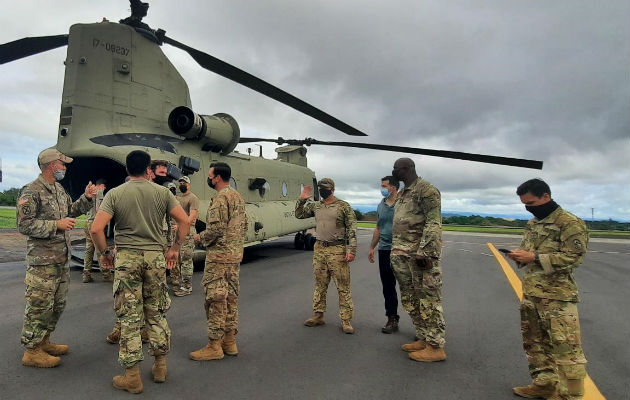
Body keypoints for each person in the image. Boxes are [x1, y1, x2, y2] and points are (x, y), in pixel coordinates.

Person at [90, 150, 189, 393]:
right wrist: (175, 248)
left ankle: (132, 376)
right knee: (156, 312)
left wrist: (105, 255)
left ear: (127, 169)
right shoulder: (163, 193)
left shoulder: (115, 193)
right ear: (148, 170)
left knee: (130, 317)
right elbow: (185, 222)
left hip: (127, 259)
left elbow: (96, 229)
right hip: (155, 258)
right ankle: (160, 366)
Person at [507, 179, 588, 400]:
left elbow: (574, 257)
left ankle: (569, 396)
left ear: (545, 197)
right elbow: (529, 250)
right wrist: (520, 256)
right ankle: (544, 383)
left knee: (566, 350)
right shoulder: (534, 223)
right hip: (532, 293)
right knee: (535, 343)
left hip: (557, 297)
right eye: (525, 204)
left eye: (531, 202)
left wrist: (534, 257)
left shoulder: (569, 223)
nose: (529, 208)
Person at [17, 148, 97, 368]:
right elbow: (24, 225)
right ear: (52, 165)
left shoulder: (58, 188)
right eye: (63, 164)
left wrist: (87, 198)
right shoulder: (31, 191)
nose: (65, 168)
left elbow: (70, 211)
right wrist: (56, 225)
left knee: (57, 304)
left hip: (61, 258)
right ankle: (31, 351)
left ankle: (43, 341)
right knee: (39, 304)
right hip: (42, 261)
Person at [390, 157, 446, 362]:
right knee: (411, 298)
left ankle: (436, 346)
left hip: (419, 256)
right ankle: (423, 337)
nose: (393, 172)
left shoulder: (426, 190)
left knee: (428, 300)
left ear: (405, 169)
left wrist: (426, 252)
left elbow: (433, 223)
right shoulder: (403, 193)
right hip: (402, 255)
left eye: (395, 169)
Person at [190, 162, 247, 361]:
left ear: (217, 178)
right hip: (233, 257)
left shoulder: (221, 199)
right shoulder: (237, 197)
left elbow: (215, 230)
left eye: (211, 175)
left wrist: (198, 238)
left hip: (219, 258)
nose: (209, 178)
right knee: (230, 297)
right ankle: (229, 341)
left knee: (215, 299)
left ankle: (214, 345)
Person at [295, 178, 357, 334]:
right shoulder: (317, 206)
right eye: (321, 188)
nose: (323, 190)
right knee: (320, 284)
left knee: (343, 286)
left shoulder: (343, 206)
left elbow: (352, 229)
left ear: (332, 189)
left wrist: (351, 250)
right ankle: (318, 315)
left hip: (337, 249)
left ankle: (346, 320)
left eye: (326, 188)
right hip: (320, 249)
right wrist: (301, 200)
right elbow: (299, 214)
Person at [368, 176, 400, 334]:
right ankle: (392, 318)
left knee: (410, 288)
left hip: (402, 251)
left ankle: (421, 325)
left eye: (384, 186)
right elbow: (378, 228)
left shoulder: (404, 204)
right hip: (385, 250)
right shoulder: (380, 205)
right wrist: (372, 247)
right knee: (388, 286)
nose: (382, 188)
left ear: (393, 187)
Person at [173, 175, 199, 297]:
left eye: (184, 183)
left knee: (186, 260)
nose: (182, 184)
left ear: (189, 185)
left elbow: (192, 217)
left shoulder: (193, 198)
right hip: (177, 234)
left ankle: (186, 287)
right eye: (181, 183)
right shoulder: (177, 198)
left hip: (187, 233)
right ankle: (180, 283)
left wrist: (180, 226)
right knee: (178, 260)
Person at [82, 179, 109, 283]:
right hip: (95, 223)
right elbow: (100, 209)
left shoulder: (89, 192)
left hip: (87, 222)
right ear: (102, 185)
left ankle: (86, 274)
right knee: (100, 249)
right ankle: (106, 275)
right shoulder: (99, 192)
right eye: (104, 187)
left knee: (89, 249)